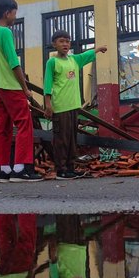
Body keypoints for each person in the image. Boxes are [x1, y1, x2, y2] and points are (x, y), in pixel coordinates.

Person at [0, 0, 43, 182]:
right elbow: (13, 63)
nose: (15, 16)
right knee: (24, 123)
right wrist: (25, 87)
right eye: (14, 13)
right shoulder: (5, 32)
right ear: (6, 13)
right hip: (9, 85)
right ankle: (20, 169)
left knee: (2, 127)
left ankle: (4, 169)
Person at [44, 31, 107, 180]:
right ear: (54, 44)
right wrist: (48, 104)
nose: (65, 44)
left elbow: (86, 55)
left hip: (73, 106)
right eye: (61, 41)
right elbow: (47, 83)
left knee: (72, 139)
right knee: (61, 139)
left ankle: (70, 168)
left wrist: (98, 49)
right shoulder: (52, 62)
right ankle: (61, 170)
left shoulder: (74, 60)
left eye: (67, 41)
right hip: (60, 107)